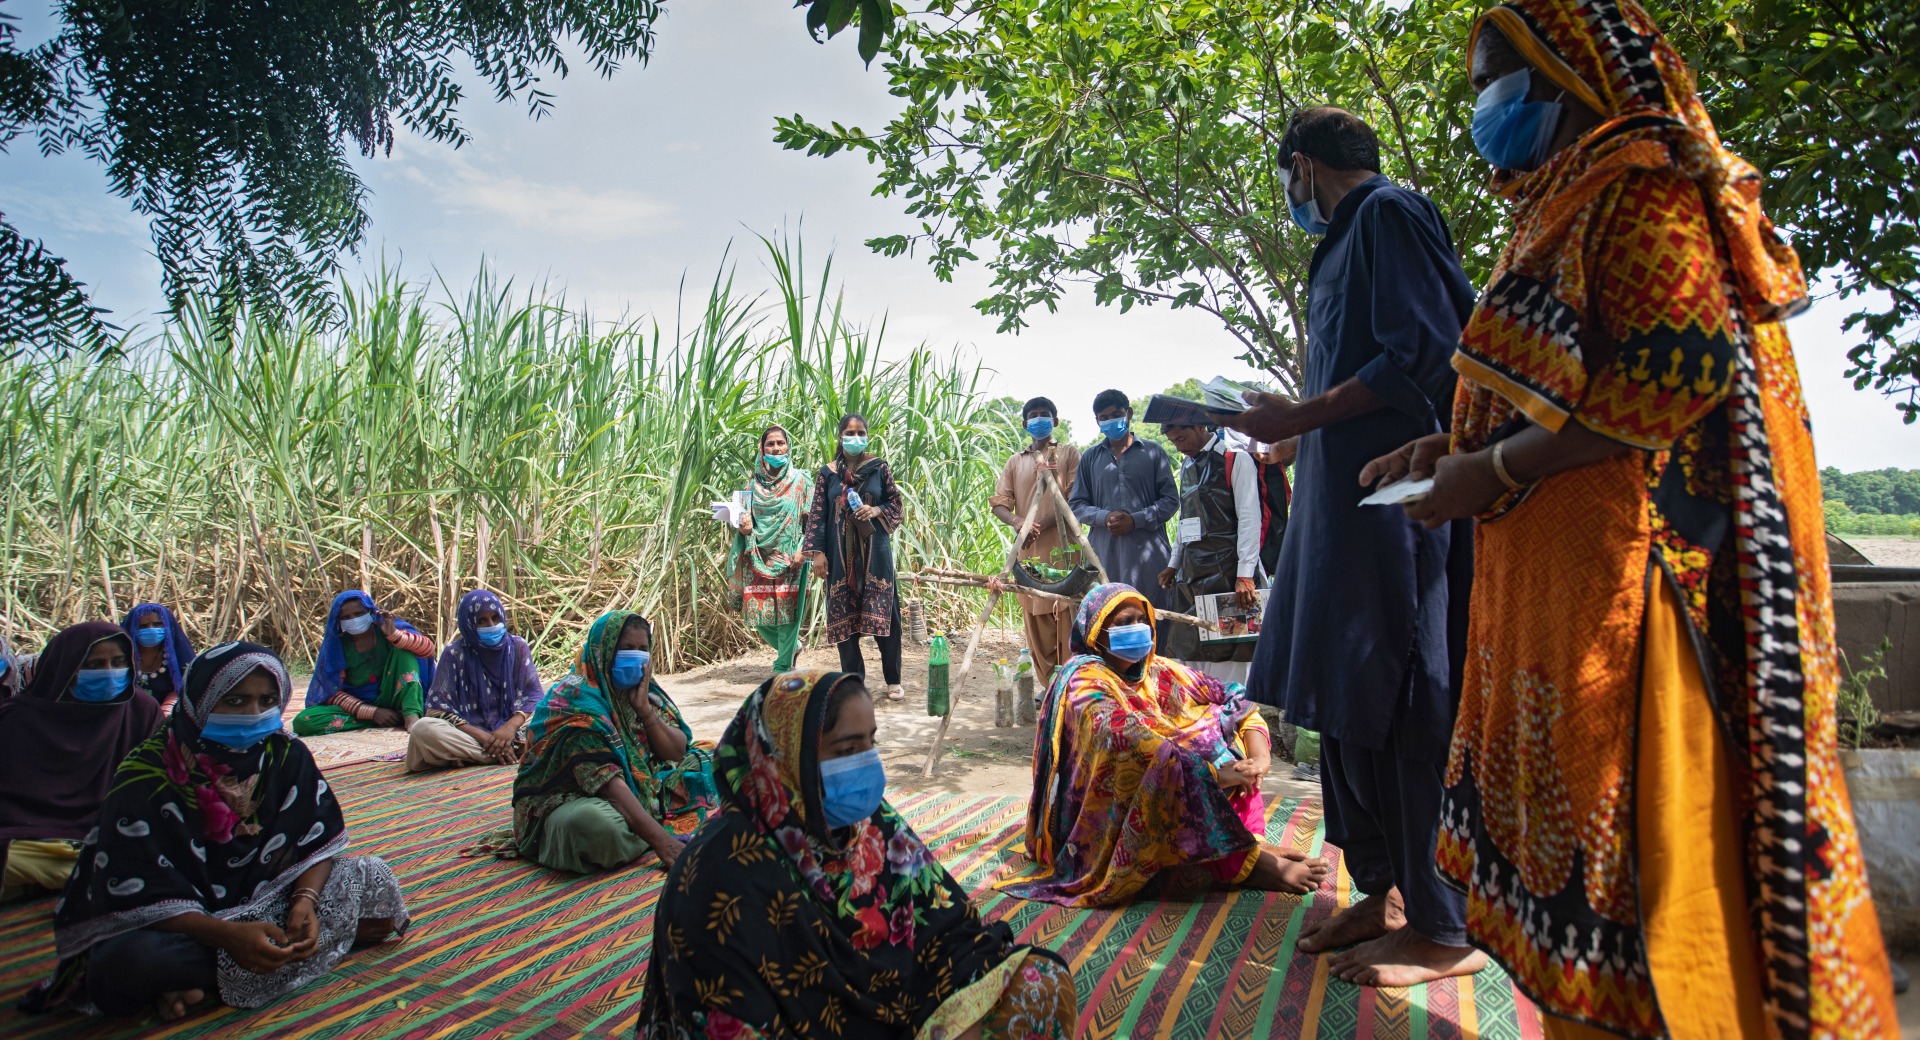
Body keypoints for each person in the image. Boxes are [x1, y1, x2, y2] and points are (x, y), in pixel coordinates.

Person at [1356, 1, 1898, 1033]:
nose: (1482, 107)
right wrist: (1449, 451)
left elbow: (1674, 370)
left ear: (1565, 75)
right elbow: (1553, 382)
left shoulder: (1640, 184)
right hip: (1554, 586)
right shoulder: (1555, 197)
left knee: (1653, 882)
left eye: (1493, 83)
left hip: (1630, 590)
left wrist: (1494, 466)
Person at [1222, 106, 1480, 986]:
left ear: (1301, 164)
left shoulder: (1388, 215)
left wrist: (1304, 414)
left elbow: (1427, 358)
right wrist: (1302, 436)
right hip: (1338, 516)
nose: (1289, 195)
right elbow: (1352, 381)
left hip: (1394, 516)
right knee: (1340, 700)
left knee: (1405, 697)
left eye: (1286, 178)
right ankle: (1386, 890)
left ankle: (1444, 924)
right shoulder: (1337, 245)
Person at [637, 669, 1079, 1039]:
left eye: (871, 743)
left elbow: (949, 931)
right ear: (785, 755)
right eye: (847, 751)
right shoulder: (717, 876)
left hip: (900, 1012)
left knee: (1042, 986)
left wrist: (965, 1011)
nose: (868, 764)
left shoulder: (867, 828)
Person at [20, 640, 407, 1021]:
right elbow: (132, 892)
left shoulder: (284, 754)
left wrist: (305, 902)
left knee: (374, 880)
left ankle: (203, 984)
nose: (253, 714)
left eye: (267, 701)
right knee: (126, 964)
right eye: (235, 701)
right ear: (200, 701)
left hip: (269, 899)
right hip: (184, 920)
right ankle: (234, 966)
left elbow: (317, 841)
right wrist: (228, 937)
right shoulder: (148, 774)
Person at [997, 583, 1328, 907]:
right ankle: (1252, 864)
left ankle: (1245, 845)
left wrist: (1259, 756)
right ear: (1096, 631)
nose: (1137, 629)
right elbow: (1124, 739)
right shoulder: (1083, 681)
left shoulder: (1157, 669)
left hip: (1174, 773)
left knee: (1218, 728)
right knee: (1174, 766)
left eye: (1141, 620)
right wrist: (1210, 772)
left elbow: (1234, 695)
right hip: (1103, 812)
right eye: (1123, 623)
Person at [505, 610, 715, 873]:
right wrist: (664, 844)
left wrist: (644, 711)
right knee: (595, 826)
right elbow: (606, 784)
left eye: (642, 649)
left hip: (635, 788)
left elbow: (677, 750)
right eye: (626, 648)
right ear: (602, 651)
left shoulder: (643, 691)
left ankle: (642, 824)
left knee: (713, 758)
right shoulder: (574, 701)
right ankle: (647, 828)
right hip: (569, 798)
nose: (636, 655)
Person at [0, 621, 163, 900]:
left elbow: (154, 786)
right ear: (64, 668)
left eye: (119, 662)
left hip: (105, 834)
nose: (109, 673)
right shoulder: (17, 718)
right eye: (94, 665)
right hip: (24, 841)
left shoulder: (141, 712)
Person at [805, 414, 906, 701]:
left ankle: (893, 680)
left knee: (887, 615)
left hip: (876, 555)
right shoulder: (827, 473)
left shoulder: (879, 468)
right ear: (840, 436)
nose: (855, 437)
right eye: (850, 432)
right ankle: (854, 681)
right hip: (839, 557)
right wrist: (818, 554)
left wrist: (875, 511)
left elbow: (895, 503)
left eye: (861, 432)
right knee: (843, 619)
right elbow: (817, 516)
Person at [1156, 420, 1263, 685]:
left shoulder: (1234, 459)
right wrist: (1174, 562)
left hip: (1229, 574)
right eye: (1173, 442)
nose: (1179, 447)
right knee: (1189, 650)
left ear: (1200, 427)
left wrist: (1245, 575)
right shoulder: (1187, 466)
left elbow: (1250, 519)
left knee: (1232, 651)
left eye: (1182, 438)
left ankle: (1233, 717)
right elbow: (1186, 519)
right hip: (1192, 575)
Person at [990, 396, 1082, 687]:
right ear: (1025, 423)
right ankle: (1048, 686)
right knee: (1037, 623)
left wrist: (1042, 524)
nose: (1039, 419)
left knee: (1066, 617)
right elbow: (999, 503)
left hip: (1064, 552)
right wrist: (1019, 522)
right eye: (1033, 415)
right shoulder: (1016, 461)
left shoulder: (1068, 455)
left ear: (1055, 421)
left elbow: (1074, 498)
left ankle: (1069, 685)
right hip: (1028, 553)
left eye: (1045, 414)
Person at [1068, 390, 1178, 616]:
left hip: (1149, 557)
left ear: (1128, 413)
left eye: (1116, 414)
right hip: (1105, 556)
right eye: (1104, 418)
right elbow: (1077, 504)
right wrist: (1104, 516)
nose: (1110, 421)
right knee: (1108, 617)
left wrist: (1136, 520)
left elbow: (1170, 500)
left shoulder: (1153, 452)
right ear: (1097, 421)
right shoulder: (1090, 457)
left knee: (1153, 616)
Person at [408, 589, 542, 772]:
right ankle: (501, 752)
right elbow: (437, 708)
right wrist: (485, 738)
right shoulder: (455, 654)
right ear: (469, 623)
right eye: (482, 621)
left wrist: (510, 727)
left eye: (495, 618)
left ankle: (474, 754)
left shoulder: (518, 647)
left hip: (514, 729)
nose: (491, 625)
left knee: (555, 720)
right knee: (423, 729)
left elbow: (534, 697)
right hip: (469, 733)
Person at [291, 591, 436, 736]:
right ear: (338, 620)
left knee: (404, 650)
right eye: (346, 617)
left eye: (359, 614)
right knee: (303, 721)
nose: (353, 620)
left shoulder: (387, 628)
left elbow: (428, 651)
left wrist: (395, 635)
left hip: (396, 695)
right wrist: (372, 713)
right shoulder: (337, 645)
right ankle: (389, 718)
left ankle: (411, 715)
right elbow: (332, 691)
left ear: (370, 612)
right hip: (359, 704)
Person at [729, 424, 812, 672]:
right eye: (770, 444)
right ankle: (793, 646)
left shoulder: (802, 481)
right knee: (755, 612)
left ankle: (782, 665)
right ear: (762, 449)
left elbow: (813, 521)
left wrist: (804, 549)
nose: (776, 448)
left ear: (788, 446)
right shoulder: (751, 485)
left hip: (792, 555)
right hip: (758, 555)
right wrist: (743, 530)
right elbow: (743, 521)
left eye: (780, 443)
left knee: (789, 613)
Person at [122, 602, 195, 713]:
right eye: (143, 626)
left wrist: (168, 708)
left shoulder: (177, 656)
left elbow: (189, 687)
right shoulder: (121, 658)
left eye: (157, 624)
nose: (151, 629)